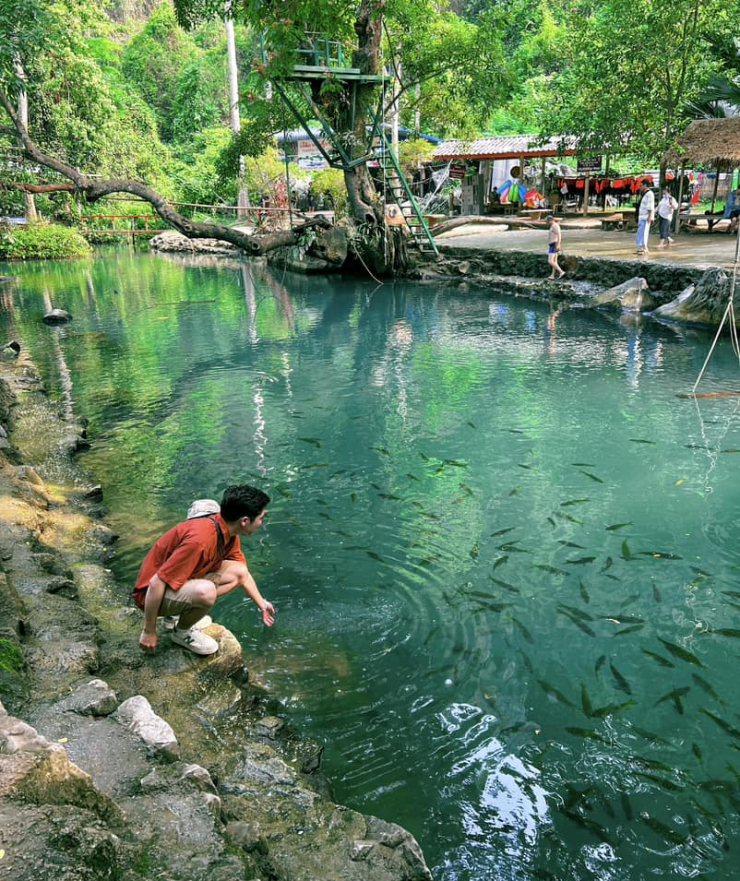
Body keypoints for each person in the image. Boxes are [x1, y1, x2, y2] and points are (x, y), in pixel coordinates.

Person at [134, 485, 275, 656]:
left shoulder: (228, 533)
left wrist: (262, 604)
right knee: (206, 592)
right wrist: (149, 631)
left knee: (238, 572)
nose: (261, 522)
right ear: (244, 521)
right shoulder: (200, 540)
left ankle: (176, 616)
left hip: (174, 587)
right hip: (148, 594)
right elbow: (157, 582)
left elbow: (242, 575)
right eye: (261, 518)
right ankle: (182, 632)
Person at [636, 180, 655, 255]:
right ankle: (642, 247)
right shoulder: (644, 194)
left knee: (644, 232)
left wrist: (650, 216)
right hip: (642, 216)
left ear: (645, 185)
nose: (640, 187)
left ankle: (644, 248)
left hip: (645, 217)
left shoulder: (650, 194)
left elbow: (650, 206)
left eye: (641, 185)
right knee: (640, 232)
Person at [546, 215, 565, 280]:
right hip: (552, 244)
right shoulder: (553, 226)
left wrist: (558, 244)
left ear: (550, 220)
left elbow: (559, 235)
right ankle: (552, 275)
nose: (547, 223)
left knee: (550, 261)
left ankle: (561, 272)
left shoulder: (555, 226)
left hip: (554, 244)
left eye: (547, 222)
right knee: (554, 261)